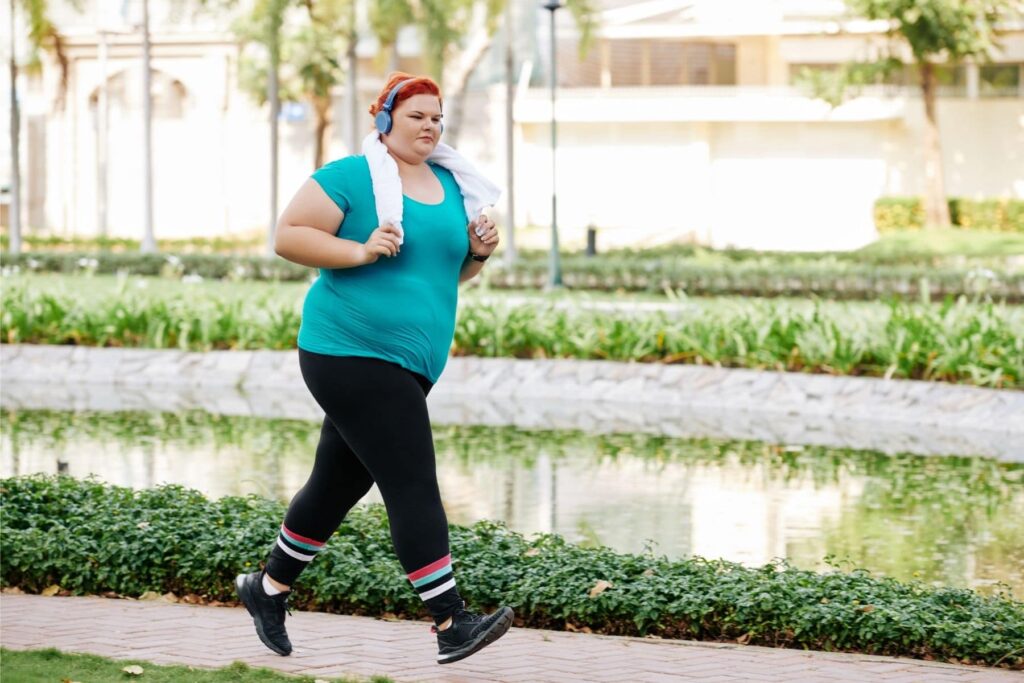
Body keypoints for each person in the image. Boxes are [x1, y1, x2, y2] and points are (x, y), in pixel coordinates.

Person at [234, 72, 513, 665]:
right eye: (417, 116)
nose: (430, 127)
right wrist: (359, 249)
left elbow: (447, 275)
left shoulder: (448, 183)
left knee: (337, 483)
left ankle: (269, 588)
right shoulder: (350, 177)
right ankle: (450, 622)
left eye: (437, 117)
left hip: (411, 363)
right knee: (411, 481)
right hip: (348, 351)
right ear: (384, 119)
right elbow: (288, 236)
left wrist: (480, 253)